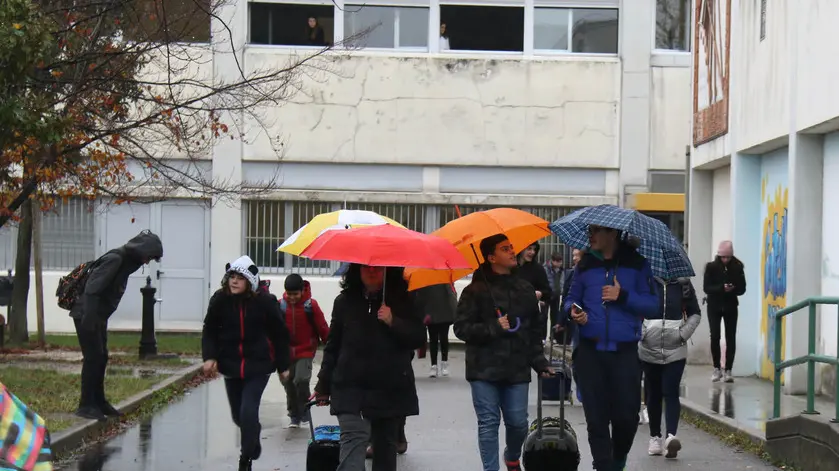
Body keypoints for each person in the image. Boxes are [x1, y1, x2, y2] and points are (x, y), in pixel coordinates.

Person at [454, 234, 553, 471]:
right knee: (488, 423)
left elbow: (533, 331)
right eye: (505, 249)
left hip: (516, 368)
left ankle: (511, 456)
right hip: (483, 369)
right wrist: (493, 328)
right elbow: (461, 328)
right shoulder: (474, 290)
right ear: (491, 257)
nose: (512, 251)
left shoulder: (525, 289)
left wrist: (540, 362)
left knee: (518, 423)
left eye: (511, 247)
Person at [312, 265, 425, 471]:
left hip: (389, 388)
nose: (371, 271)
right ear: (356, 270)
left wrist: (393, 321)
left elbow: (417, 337)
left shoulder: (404, 301)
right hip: (350, 386)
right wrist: (323, 385)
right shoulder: (344, 302)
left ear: (388, 270)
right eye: (366, 267)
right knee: (353, 443)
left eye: (378, 268)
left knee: (384, 450)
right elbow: (333, 346)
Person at [564, 226, 658, 471]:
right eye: (589, 230)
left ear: (613, 234)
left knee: (626, 418)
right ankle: (603, 466)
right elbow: (570, 299)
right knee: (596, 419)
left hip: (624, 352)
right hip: (589, 352)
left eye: (596, 231)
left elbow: (652, 306)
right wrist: (573, 310)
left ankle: (617, 461)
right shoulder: (584, 265)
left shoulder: (638, 264)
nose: (590, 236)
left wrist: (622, 295)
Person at [201, 256, 291, 471]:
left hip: (258, 366)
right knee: (238, 416)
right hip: (231, 365)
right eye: (231, 276)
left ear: (250, 281)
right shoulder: (220, 300)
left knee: (247, 411)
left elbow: (280, 334)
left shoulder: (265, 302)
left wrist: (283, 365)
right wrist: (210, 357)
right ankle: (253, 436)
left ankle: (246, 459)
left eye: (240, 278)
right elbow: (210, 330)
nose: (234, 281)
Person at [69, 230, 163, 421]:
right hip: (87, 313)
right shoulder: (116, 259)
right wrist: (90, 317)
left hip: (96, 315)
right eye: (148, 257)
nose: (146, 262)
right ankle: (86, 405)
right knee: (93, 357)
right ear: (140, 250)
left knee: (101, 356)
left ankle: (99, 401)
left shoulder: (124, 262)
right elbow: (92, 288)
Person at [640, 277, 701, 459]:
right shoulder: (645, 280)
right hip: (649, 348)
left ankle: (671, 438)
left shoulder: (683, 284)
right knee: (654, 393)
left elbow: (695, 313)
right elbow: (633, 310)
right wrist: (642, 333)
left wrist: (682, 335)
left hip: (675, 349)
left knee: (671, 391)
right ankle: (655, 437)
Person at [280, 273, 329, 428]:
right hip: (286, 352)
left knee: (301, 380)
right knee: (289, 384)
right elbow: (274, 329)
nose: (292, 297)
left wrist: (331, 344)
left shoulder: (310, 305)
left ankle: (304, 410)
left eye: (295, 294)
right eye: (289, 294)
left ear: (302, 291)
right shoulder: (281, 305)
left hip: (306, 350)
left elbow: (322, 327)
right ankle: (294, 415)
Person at [703, 240, 746, 383]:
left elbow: (742, 289)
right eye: (723, 257)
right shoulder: (711, 267)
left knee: (730, 337)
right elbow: (707, 288)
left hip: (730, 305)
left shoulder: (738, 267)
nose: (726, 260)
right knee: (715, 335)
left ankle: (728, 369)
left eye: (728, 257)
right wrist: (722, 288)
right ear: (719, 256)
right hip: (714, 305)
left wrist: (734, 288)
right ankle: (716, 368)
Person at [415, 283, 457, 378]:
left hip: (432, 314)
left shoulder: (427, 280)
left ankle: (434, 366)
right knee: (443, 339)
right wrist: (455, 312)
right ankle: (443, 363)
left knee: (434, 339)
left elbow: (421, 298)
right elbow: (452, 295)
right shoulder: (445, 279)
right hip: (441, 313)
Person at [517, 241, 552, 342]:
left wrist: (540, 293)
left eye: (534, 249)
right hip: (512, 317)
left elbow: (548, 292)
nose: (532, 252)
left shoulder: (538, 269)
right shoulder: (510, 267)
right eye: (529, 249)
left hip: (530, 318)